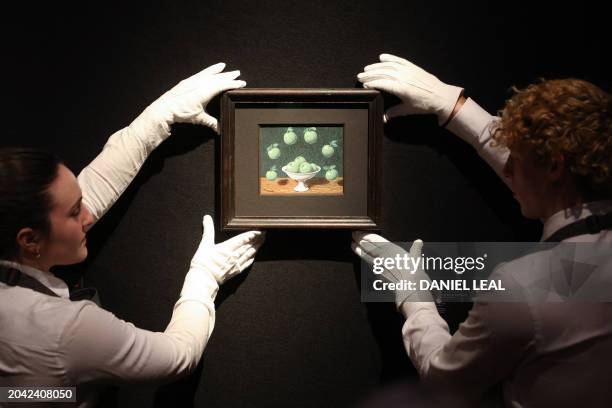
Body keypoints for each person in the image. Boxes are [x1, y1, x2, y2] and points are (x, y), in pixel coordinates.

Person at [352, 54, 612, 407]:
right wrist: (455, 106)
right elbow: (543, 174)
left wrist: (416, 300)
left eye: (517, 162)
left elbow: (445, 382)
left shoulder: (525, 287)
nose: (508, 171)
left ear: (553, 167)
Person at [0, 62, 265, 407]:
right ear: (29, 240)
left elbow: (90, 192)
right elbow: (176, 357)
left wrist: (158, 118)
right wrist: (205, 278)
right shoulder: (65, 330)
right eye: (73, 212)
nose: (87, 214)